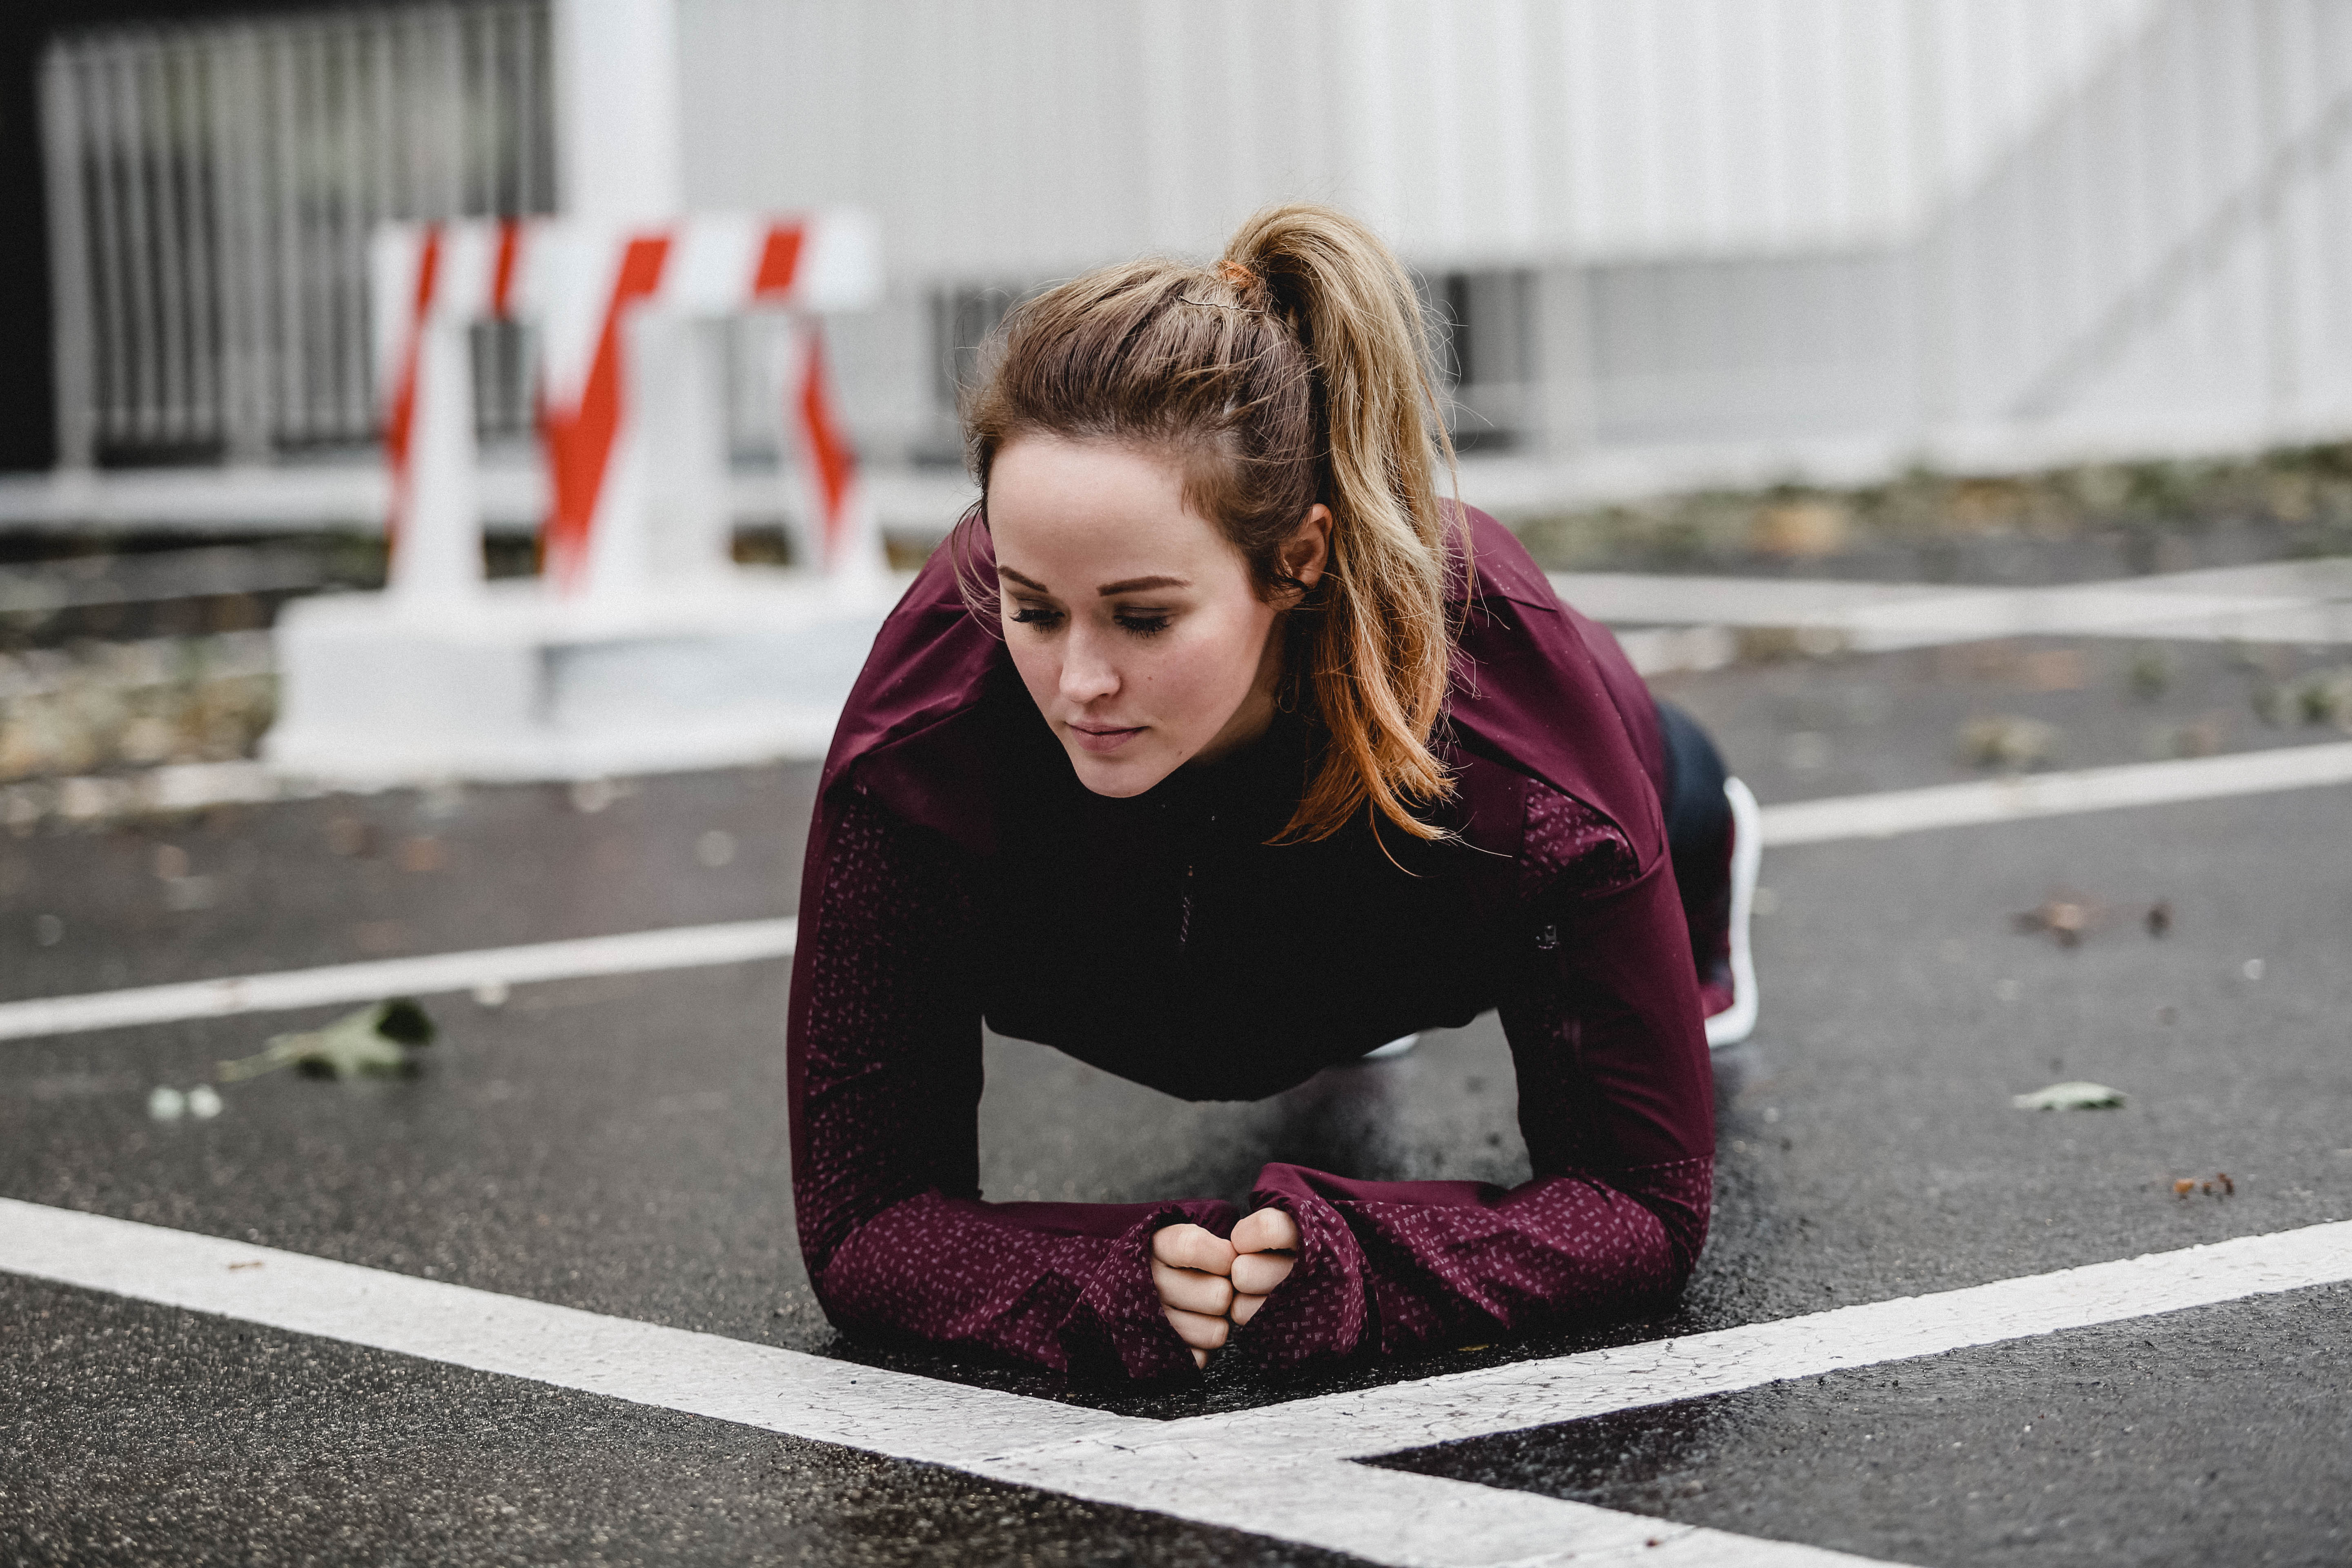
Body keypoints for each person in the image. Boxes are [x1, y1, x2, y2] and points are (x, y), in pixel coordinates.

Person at [786, 204, 1758, 1383]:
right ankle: (1327, 964)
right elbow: (862, 1228)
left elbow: (1639, 1211)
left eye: (1142, 616)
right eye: (1032, 606)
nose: (1078, 680)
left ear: (1296, 558)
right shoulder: (921, 734)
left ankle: (1694, 847)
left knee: (1670, 780)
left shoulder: (1512, 728)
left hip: (1429, 855)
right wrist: (1102, 1284)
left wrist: (1367, 1265)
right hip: (1197, 943)